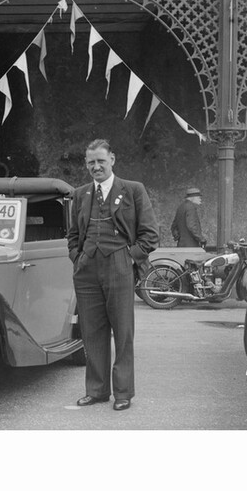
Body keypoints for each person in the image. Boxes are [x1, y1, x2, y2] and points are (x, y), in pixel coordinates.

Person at [67, 139, 159, 411]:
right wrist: (77, 257)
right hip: (87, 269)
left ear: (112, 160)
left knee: (122, 330)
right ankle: (96, 391)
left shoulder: (132, 190)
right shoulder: (80, 194)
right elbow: (73, 234)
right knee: (92, 332)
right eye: (91, 162)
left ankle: (123, 393)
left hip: (119, 264)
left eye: (101, 161)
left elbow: (150, 234)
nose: (96, 167)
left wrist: (130, 257)